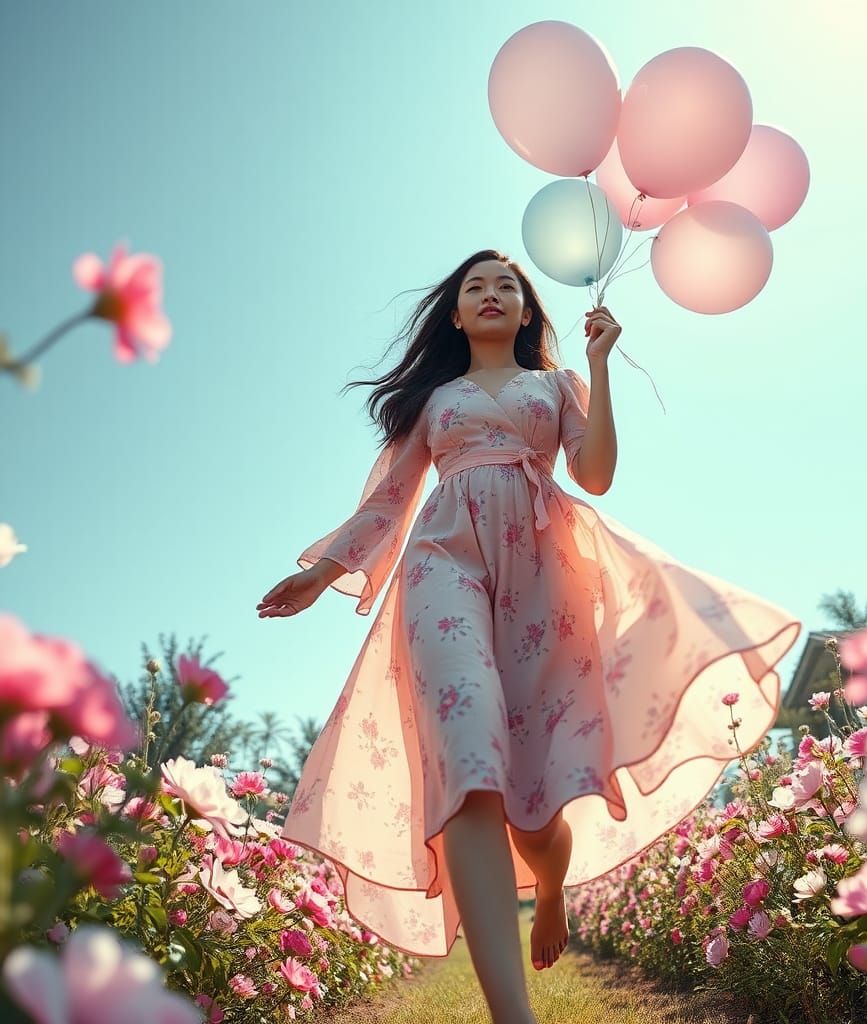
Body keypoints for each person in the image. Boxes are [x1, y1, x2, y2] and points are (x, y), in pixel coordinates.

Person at [257, 249, 802, 1024]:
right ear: (455, 313)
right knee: (471, 758)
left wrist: (599, 363)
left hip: (547, 577)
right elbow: (391, 499)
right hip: (443, 566)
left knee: (535, 811)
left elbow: (597, 472)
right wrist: (323, 573)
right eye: (475, 287)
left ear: (525, 312)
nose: (490, 294)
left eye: (506, 286)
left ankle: (548, 886)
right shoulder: (435, 401)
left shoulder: (556, 385)